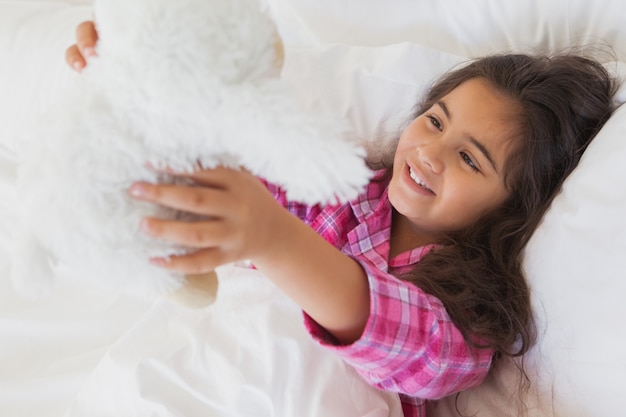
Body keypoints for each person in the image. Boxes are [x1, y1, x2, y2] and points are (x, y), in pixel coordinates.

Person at [66, 22, 617, 417]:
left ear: (512, 210)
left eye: (470, 159)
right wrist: (134, 95)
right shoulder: (338, 187)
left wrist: (273, 238)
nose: (430, 152)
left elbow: (419, 352)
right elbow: (222, 194)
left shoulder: (471, 308)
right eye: (434, 120)